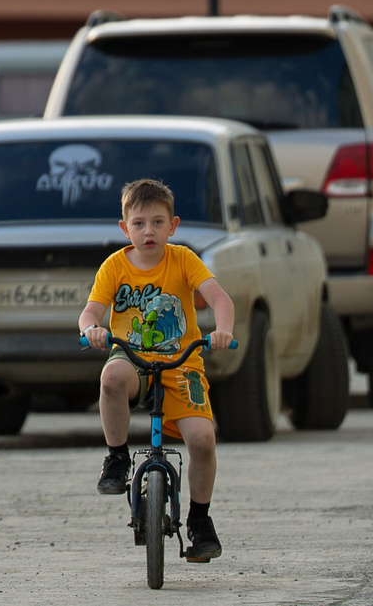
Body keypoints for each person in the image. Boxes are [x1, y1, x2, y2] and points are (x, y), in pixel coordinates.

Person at [78, 177, 238, 564]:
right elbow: (90, 312)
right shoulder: (114, 267)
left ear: (173, 225)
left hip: (181, 364)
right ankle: (117, 457)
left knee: (202, 440)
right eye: (138, 223)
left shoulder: (183, 259)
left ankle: (199, 521)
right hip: (133, 359)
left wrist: (223, 330)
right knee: (111, 377)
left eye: (157, 223)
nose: (148, 231)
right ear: (124, 228)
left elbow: (220, 298)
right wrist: (92, 330)